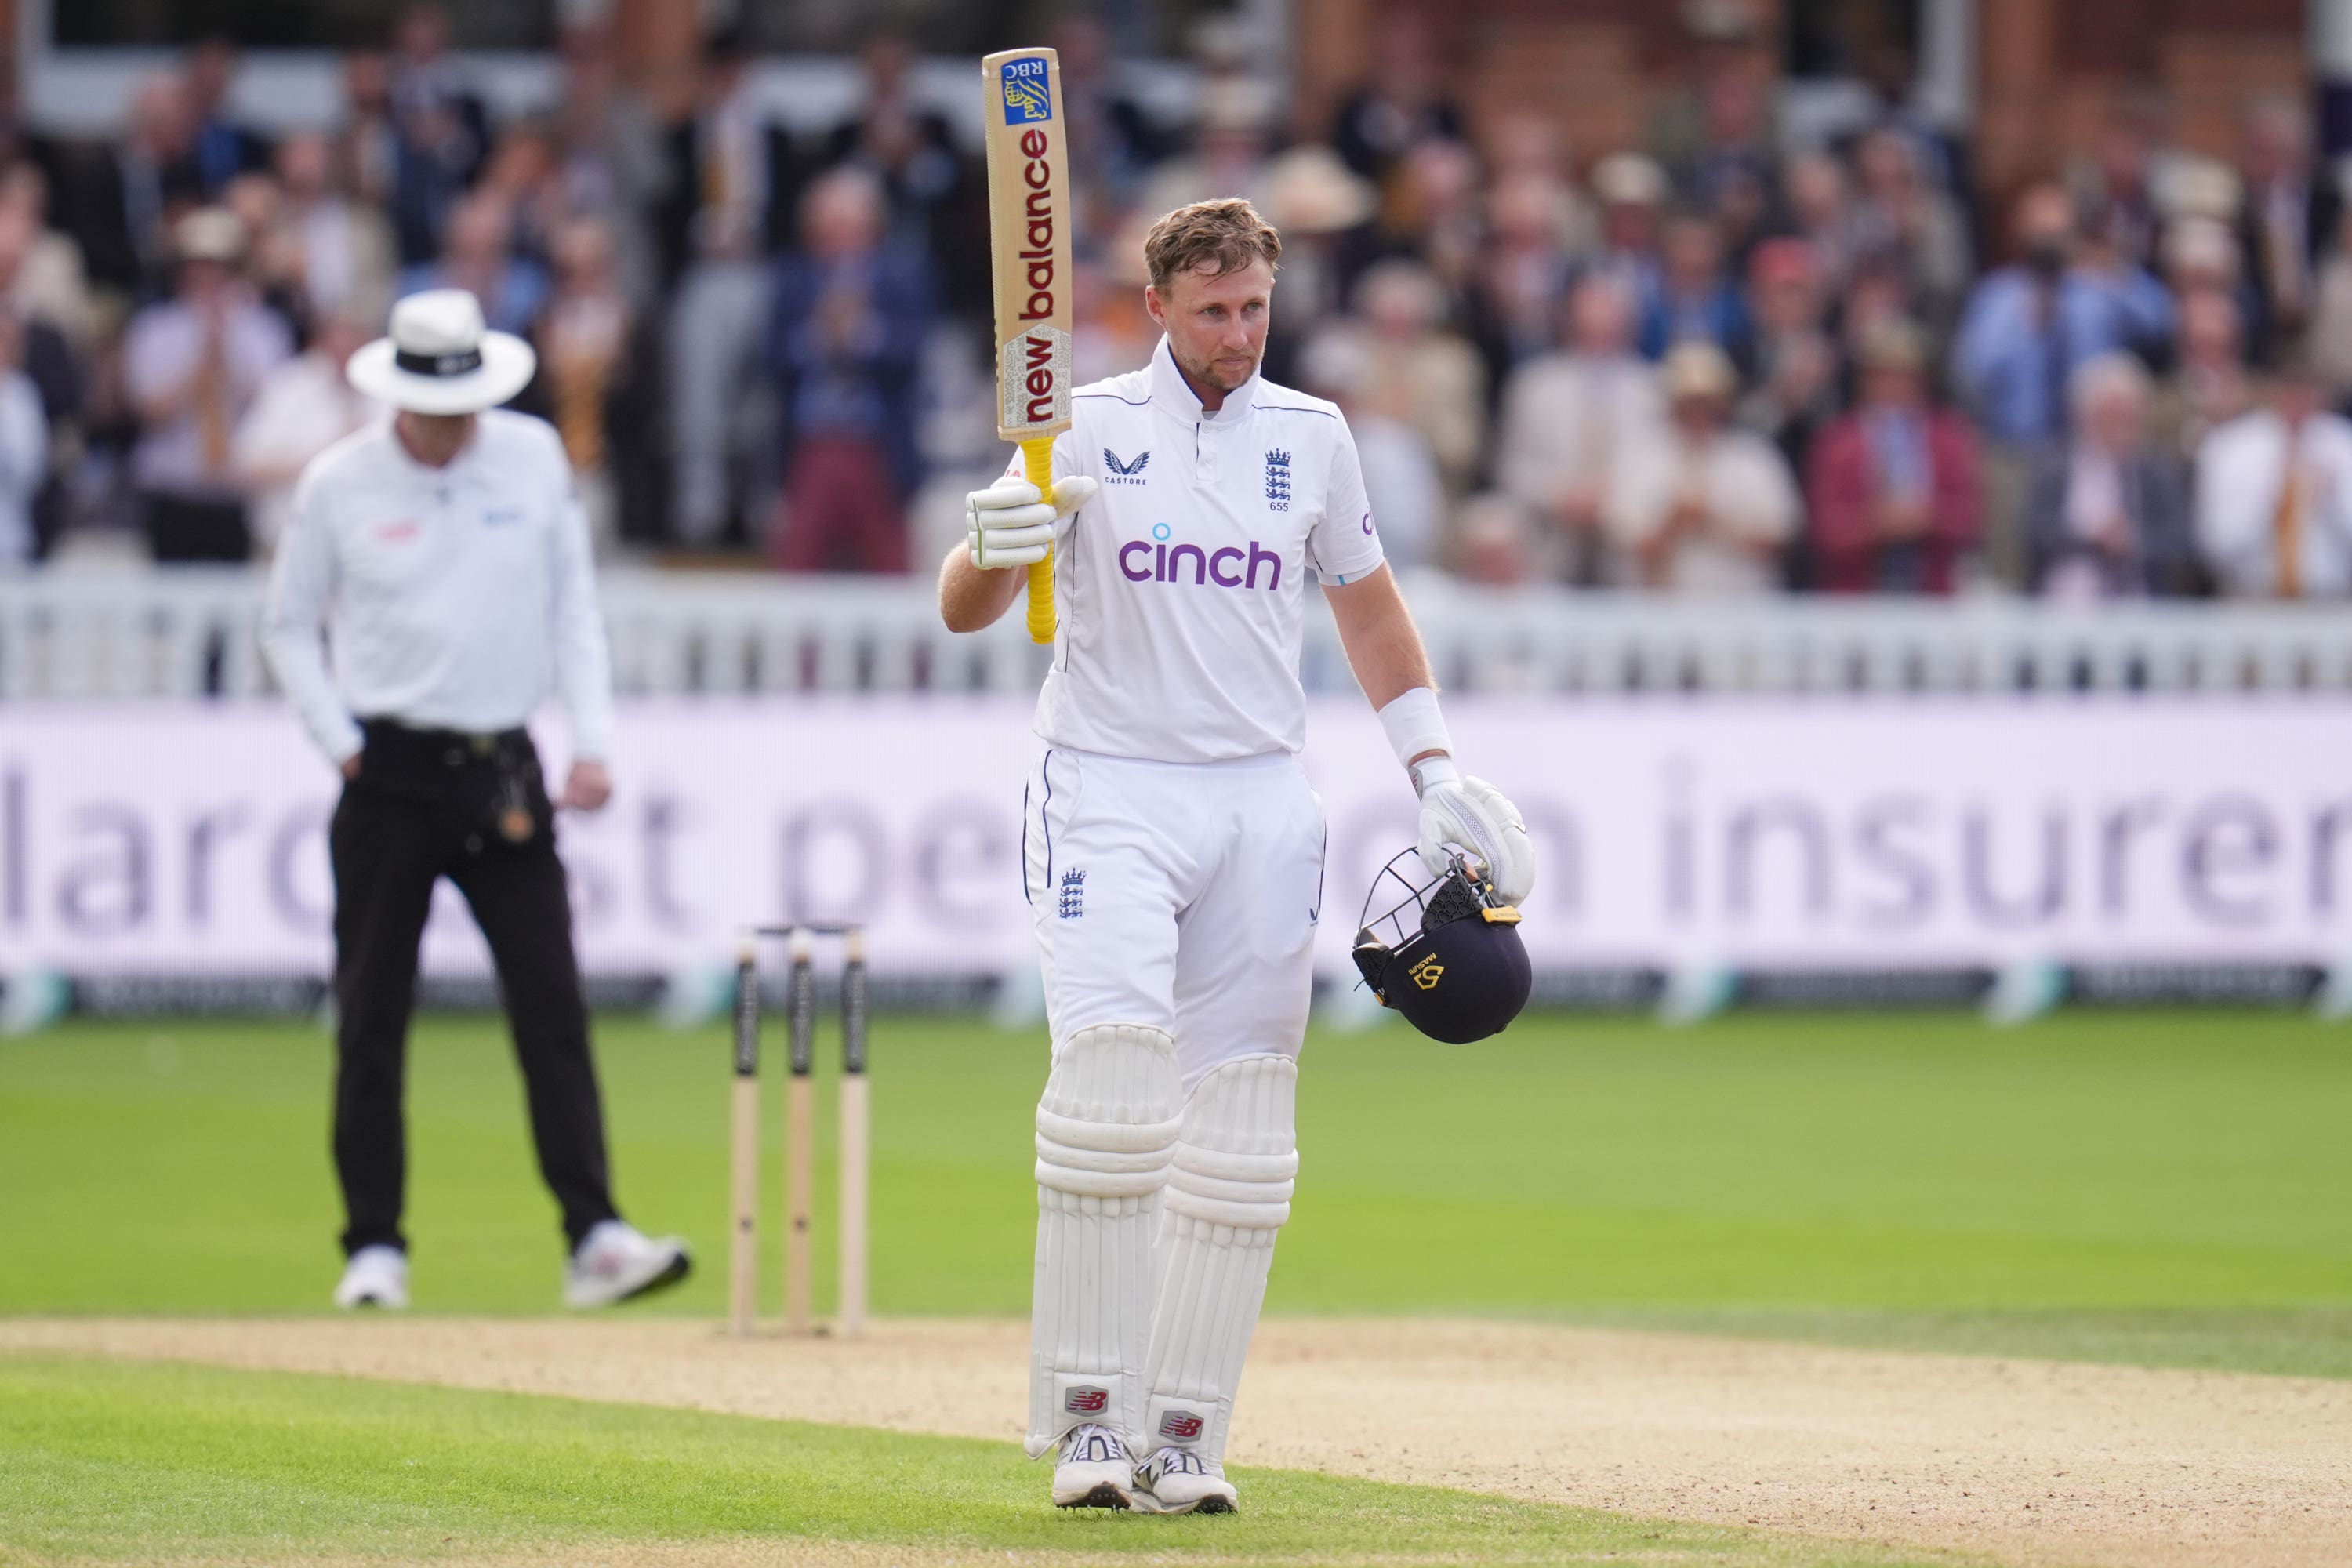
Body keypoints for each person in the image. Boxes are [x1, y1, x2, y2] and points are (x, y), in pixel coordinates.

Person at [942, 199, 1533, 1515]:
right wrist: (996, 549)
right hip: (1109, 785)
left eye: (1255, 306)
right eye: (1214, 310)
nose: (1239, 332)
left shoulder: (1310, 438)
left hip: (1264, 798)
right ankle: (1090, 1425)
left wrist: (1432, 772)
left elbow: (1371, 608)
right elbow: (963, 606)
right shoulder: (1079, 424)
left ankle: (1186, 1435)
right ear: (1158, 307)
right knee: (1110, 1090)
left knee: (1248, 1125)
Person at [260, 289, 689, 1312]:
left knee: (551, 1008)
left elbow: (572, 607)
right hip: (389, 773)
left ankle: (593, 1235)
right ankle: (374, 1247)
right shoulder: (340, 482)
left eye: (463, 406)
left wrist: (591, 740)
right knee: (372, 1014)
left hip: (504, 766)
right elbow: (286, 626)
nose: (451, 427)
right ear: (397, 394)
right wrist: (342, 745)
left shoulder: (532, 457)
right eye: (431, 407)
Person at [122, 207, 292, 562]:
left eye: (220, 266)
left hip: (237, 496)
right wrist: (199, 362)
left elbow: (273, 410)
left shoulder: (263, 330)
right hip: (173, 493)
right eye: (199, 265)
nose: (209, 277)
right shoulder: (155, 330)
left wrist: (228, 354)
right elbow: (151, 413)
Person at [1606, 339, 1798, 592]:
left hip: (1743, 612)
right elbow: (1625, 543)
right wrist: (1675, 523)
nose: (1698, 414)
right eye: (1689, 404)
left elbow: (1780, 541)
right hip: (1657, 615)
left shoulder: (1754, 459)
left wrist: (1715, 521)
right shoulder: (1640, 460)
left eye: (1707, 403)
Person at [1804, 320, 1981, 594]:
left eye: (1907, 376)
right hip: (1856, 593)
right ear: (1866, 380)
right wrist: (1877, 521)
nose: (1896, 386)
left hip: (1931, 588)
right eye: (1885, 376)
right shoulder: (1838, 443)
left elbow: (1970, 517)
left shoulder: (1950, 439)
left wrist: (1927, 516)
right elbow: (1825, 528)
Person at [2025, 352, 2195, 599]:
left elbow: (2181, 539)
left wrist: (2133, 541)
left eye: (2128, 418)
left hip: (2140, 605)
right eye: (2110, 416)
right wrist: (2091, 538)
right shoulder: (2055, 467)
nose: (2120, 429)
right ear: (2085, 416)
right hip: (2062, 603)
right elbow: (2035, 531)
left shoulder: (2155, 472)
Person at [2194, 344, 2352, 597]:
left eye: (2306, 390)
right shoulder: (2233, 448)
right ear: (2273, 390)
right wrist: (2270, 498)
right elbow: (2216, 548)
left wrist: (2334, 498)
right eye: (2290, 390)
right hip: (2252, 599)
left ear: (2321, 395)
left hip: (2331, 600)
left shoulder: (2344, 446)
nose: (2298, 401)